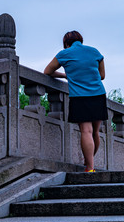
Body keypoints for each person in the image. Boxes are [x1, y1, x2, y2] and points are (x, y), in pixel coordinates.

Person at [44, 31, 107, 172]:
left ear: (66, 43)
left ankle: (90, 168)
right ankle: (89, 161)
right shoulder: (95, 52)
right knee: (95, 132)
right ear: (81, 40)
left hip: (80, 96)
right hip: (98, 95)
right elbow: (102, 75)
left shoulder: (64, 54)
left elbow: (47, 71)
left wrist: (66, 75)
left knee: (86, 131)